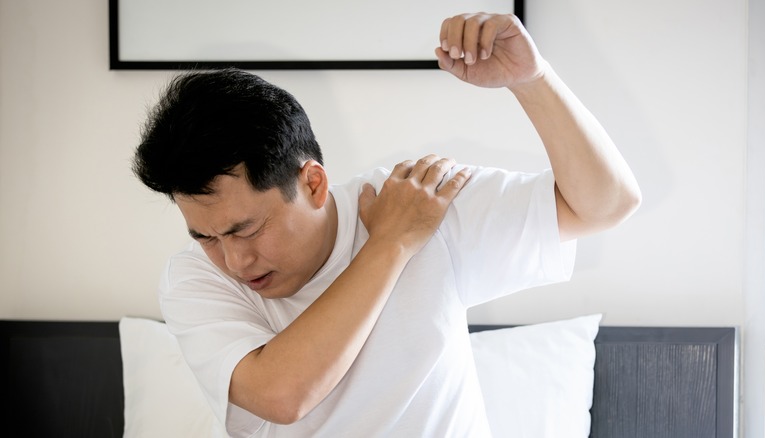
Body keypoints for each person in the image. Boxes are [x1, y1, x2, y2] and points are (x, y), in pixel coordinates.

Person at [132, 12, 640, 437]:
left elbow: (607, 205)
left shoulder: (417, 202)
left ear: (312, 183)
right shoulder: (194, 279)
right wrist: (391, 244)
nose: (235, 261)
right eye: (205, 237)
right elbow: (282, 395)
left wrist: (533, 81)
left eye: (245, 230)